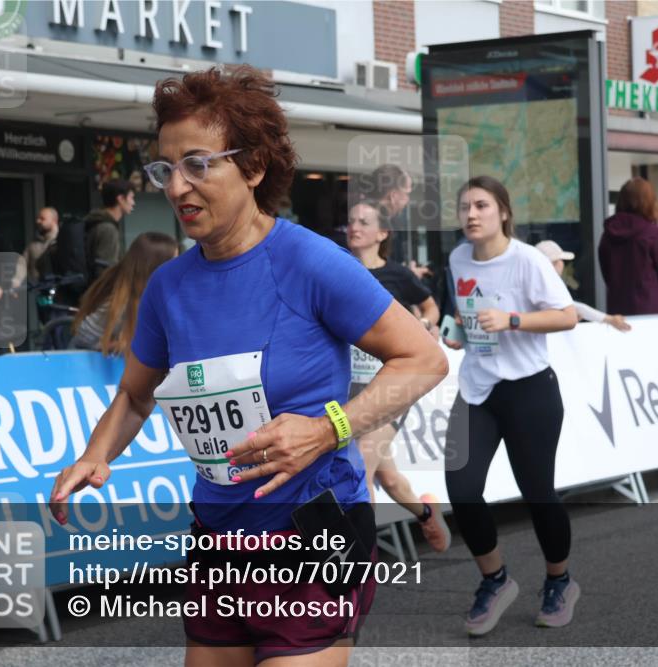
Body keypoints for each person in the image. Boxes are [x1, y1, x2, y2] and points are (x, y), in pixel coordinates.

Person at [48, 65, 447, 667]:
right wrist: (94, 456)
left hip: (314, 534)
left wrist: (327, 429)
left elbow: (424, 359)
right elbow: (135, 396)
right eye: (166, 169)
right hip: (218, 538)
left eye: (199, 164)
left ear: (254, 167)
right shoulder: (167, 287)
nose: (178, 187)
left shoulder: (312, 261)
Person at [443, 176, 578, 636]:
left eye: (481, 205)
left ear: (503, 211)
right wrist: (458, 335)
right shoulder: (458, 257)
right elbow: (467, 316)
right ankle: (495, 579)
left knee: (538, 494)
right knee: (461, 489)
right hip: (477, 390)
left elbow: (567, 316)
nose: (471, 214)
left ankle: (560, 581)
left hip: (529, 391)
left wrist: (512, 320)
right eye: (464, 207)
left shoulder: (528, 261)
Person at [344, 200, 450, 551]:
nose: (354, 227)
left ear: (382, 232)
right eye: (351, 221)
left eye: (363, 221)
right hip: (349, 388)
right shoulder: (338, 272)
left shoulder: (398, 275)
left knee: (361, 464)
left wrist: (424, 325)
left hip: (391, 386)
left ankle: (361, 560)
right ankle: (425, 513)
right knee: (386, 475)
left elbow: (431, 306)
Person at [69, 232, 179, 354]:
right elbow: (83, 338)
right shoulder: (121, 301)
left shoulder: (154, 292)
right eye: (173, 262)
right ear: (154, 267)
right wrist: (118, 345)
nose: (178, 267)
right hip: (93, 365)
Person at [598, 177, 658, 315]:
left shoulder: (607, 236)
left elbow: (608, 276)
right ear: (649, 203)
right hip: (651, 315)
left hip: (619, 315)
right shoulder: (653, 234)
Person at [536, 240, 630, 331]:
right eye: (559, 261)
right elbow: (575, 307)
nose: (562, 264)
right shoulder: (546, 287)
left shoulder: (540, 285)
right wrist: (609, 319)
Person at [84, 179, 135, 281]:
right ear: (120, 199)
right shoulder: (108, 229)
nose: (133, 203)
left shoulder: (97, 222)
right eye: (131, 198)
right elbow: (105, 272)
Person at [24, 206, 59, 283]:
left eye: (42, 218)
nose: (38, 221)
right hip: (37, 289)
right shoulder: (33, 244)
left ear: (54, 221)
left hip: (58, 288)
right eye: (38, 218)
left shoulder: (61, 241)